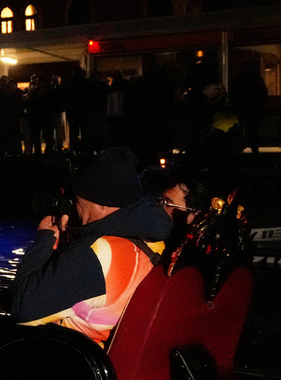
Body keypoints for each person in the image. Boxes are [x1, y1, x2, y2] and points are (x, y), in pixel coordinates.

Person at [9, 146, 173, 346]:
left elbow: (21, 310)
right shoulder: (151, 240)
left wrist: (45, 240)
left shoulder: (98, 253)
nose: (76, 207)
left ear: (101, 203)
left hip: (75, 361)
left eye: (78, 200)